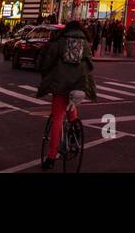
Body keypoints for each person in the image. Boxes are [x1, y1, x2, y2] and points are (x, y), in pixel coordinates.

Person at [36, 20, 97, 170]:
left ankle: (51, 158)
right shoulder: (86, 44)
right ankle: (75, 128)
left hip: (60, 84)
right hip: (78, 86)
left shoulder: (60, 42)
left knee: (57, 119)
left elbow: (48, 62)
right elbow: (90, 64)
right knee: (72, 104)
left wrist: (45, 74)